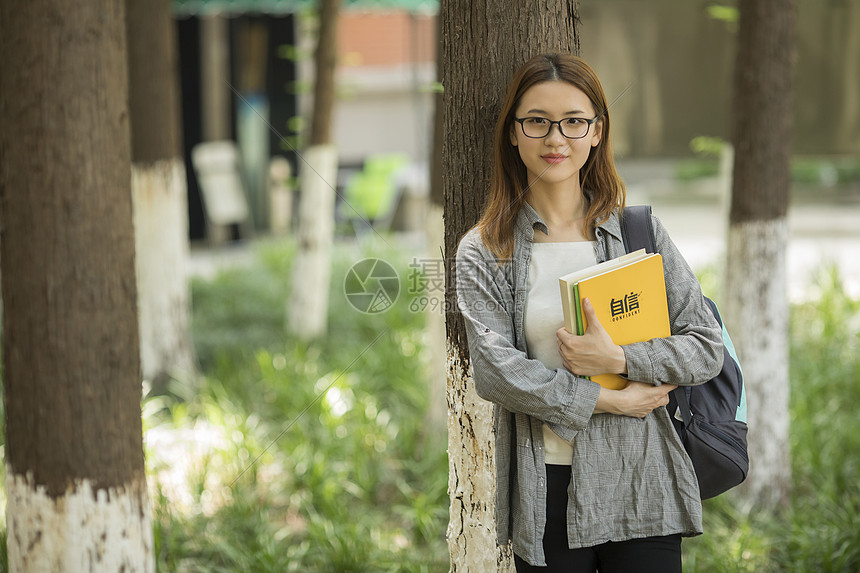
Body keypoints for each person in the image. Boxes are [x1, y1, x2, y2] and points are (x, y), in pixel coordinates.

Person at [455, 53, 724, 572]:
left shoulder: (637, 233)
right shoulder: (486, 249)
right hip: (548, 488)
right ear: (513, 133)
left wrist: (621, 358)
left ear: (597, 131)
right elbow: (495, 372)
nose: (556, 139)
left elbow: (705, 345)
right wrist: (605, 400)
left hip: (643, 483)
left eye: (574, 121)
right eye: (537, 121)